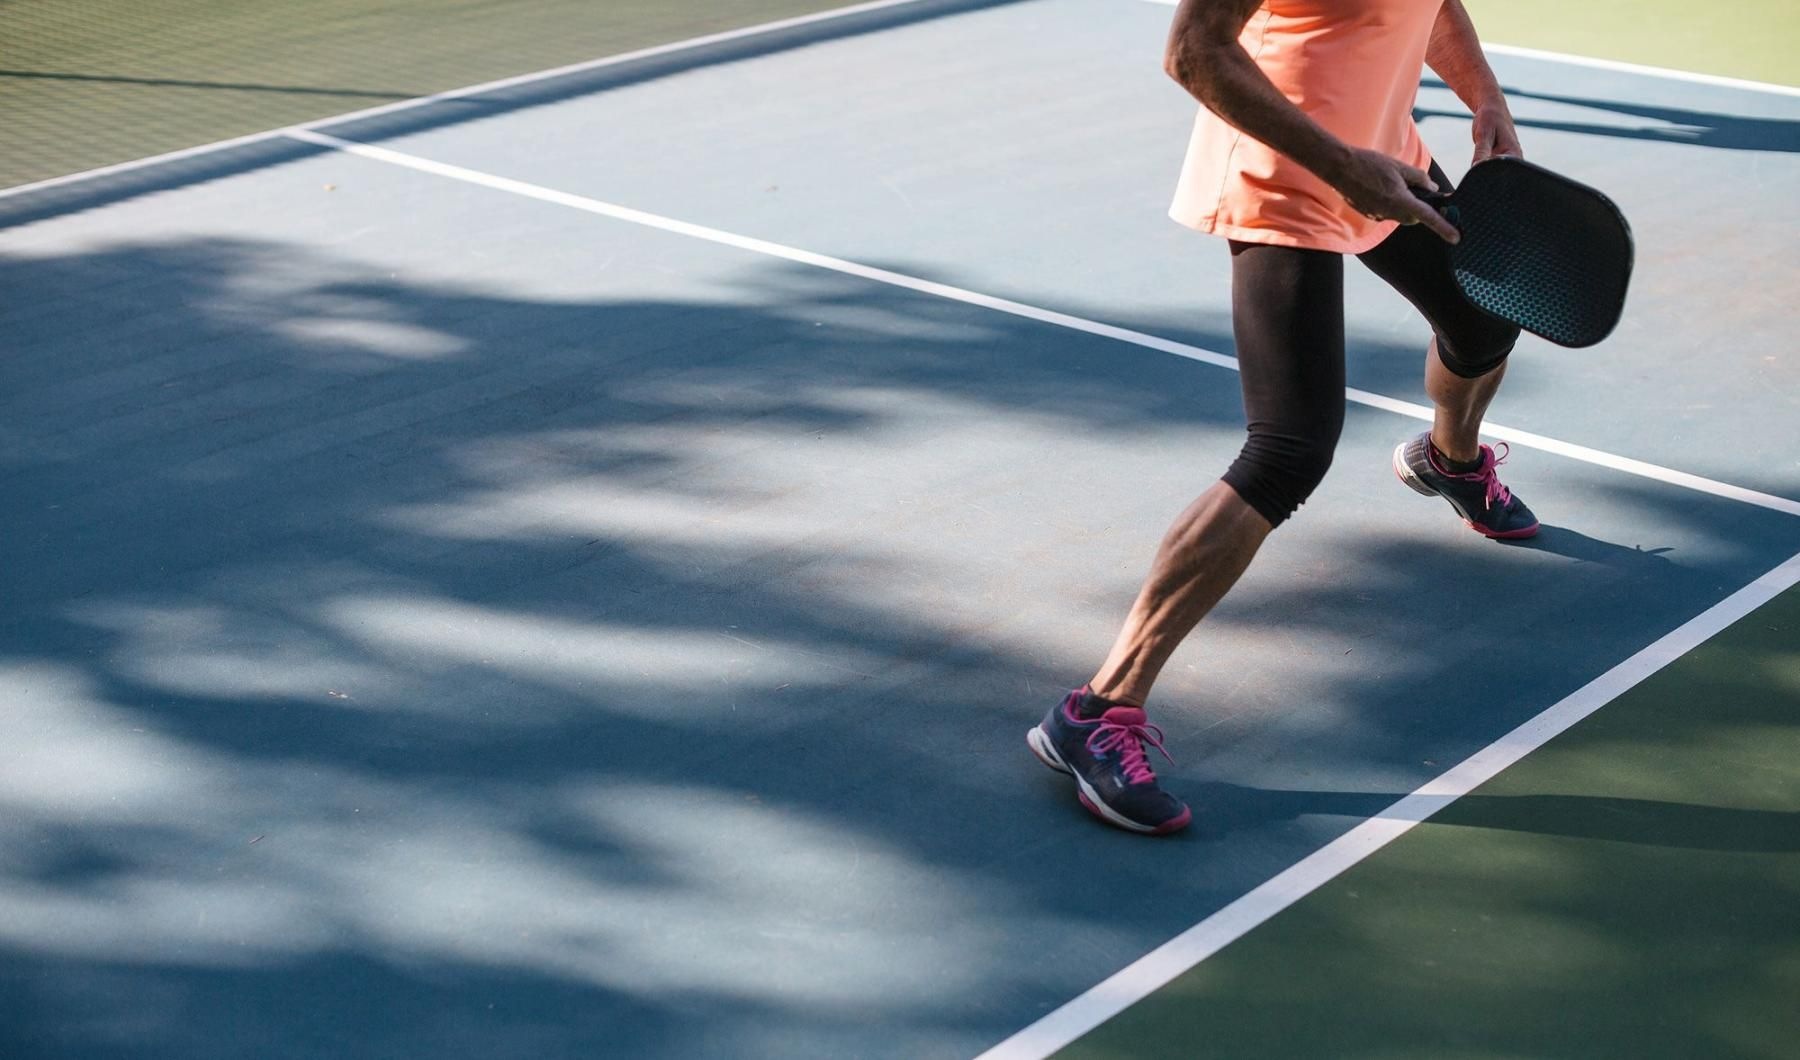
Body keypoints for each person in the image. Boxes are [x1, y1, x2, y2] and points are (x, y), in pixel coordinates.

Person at [1026, 0, 1537, 835]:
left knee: (1484, 317)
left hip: (1382, 153)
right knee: (1289, 449)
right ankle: (1097, 709)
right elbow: (1194, 51)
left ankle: (1449, 459)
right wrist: (1341, 164)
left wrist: (1485, 97)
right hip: (1286, 168)